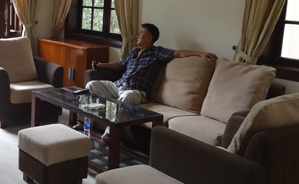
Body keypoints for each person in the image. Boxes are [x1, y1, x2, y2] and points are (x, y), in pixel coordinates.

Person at [77, 23, 217, 142]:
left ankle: (109, 132)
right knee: (91, 85)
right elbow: (120, 65)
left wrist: (199, 53)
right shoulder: (134, 52)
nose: (137, 36)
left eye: (141, 33)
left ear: (149, 38)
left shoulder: (157, 53)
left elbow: (178, 53)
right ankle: (84, 122)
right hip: (118, 85)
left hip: (136, 91)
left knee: (126, 97)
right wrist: (101, 65)